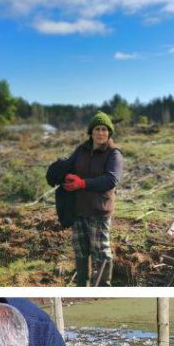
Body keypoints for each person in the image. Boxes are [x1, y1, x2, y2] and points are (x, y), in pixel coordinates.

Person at [47, 112, 123, 286]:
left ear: (109, 132)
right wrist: (65, 176)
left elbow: (111, 179)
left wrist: (82, 183)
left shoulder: (113, 154)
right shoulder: (81, 150)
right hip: (79, 209)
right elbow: (69, 166)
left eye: (104, 129)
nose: (101, 133)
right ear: (91, 132)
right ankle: (82, 285)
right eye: (97, 129)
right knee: (80, 249)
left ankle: (104, 286)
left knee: (101, 250)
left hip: (99, 209)